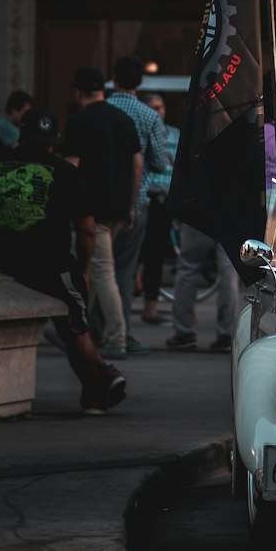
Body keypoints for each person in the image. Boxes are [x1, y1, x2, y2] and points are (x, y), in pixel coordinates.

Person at [0, 107, 127, 414]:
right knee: (76, 330)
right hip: (51, 266)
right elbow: (87, 229)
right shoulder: (66, 172)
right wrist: (84, 269)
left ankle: (103, 376)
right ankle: (96, 391)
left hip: (3, 266)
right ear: (55, 140)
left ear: (22, 133)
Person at [62, 65, 142, 361]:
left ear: (79, 91)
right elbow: (137, 165)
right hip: (119, 209)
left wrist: (63, 207)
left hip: (91, 211)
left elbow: (70, 167)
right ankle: (73, 327)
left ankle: (115, 336)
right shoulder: (124, 120)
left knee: (101, 272)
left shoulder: (78, 122)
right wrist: (131, 205)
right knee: (94, 273)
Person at [107, 56, 170, 354]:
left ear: (114, 78)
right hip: (138, 201)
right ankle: (121, 333)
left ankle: (94, 329)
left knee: (95, 269)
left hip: (98, 202)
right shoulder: (150, 117)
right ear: (139, 82)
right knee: (124, 270)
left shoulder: (100, 112)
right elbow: (158, 162)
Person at [164, 223, 241, 353]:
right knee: (229, 271)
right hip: (231, 212)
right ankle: (226, 334)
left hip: (198, 210)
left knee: (188, 268)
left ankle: (184, 332)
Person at [138, 92, 179, 325]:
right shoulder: (142, 132)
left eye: (160, 107)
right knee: (141, 252)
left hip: (165, 200)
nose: (158, 112)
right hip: (145, 196)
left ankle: (149, 305)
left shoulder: (175, 133)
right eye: (152, 107)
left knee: (155, 254)